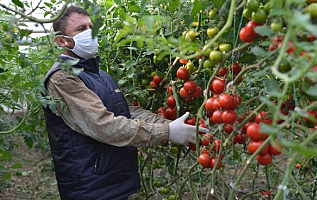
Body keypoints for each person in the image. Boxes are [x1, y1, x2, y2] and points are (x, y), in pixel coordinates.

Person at [42, 5, 207, 200]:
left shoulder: (98, 74)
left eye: (91, 27)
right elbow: (104, 125)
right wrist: (167, 132)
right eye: (81, 29)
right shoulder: (62, 79)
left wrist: (169, 125)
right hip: (90, 189)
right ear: (61, 41)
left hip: (112, 181)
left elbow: (126, 111)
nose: (90, 33)